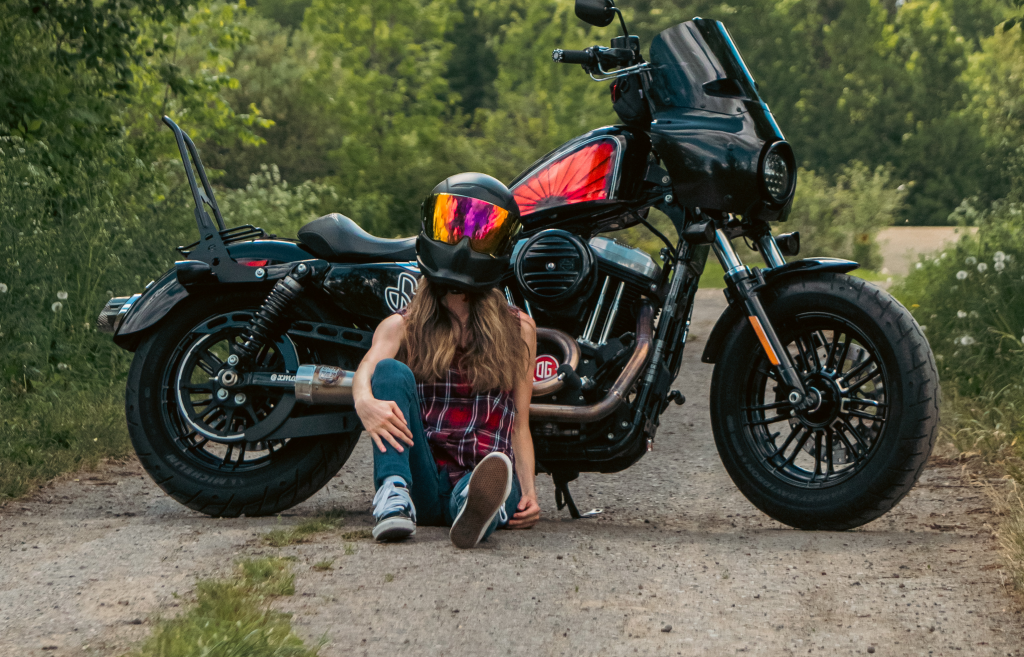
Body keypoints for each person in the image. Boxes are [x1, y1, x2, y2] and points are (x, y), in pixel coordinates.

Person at [352, 173, 541, 548]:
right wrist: (364, 402)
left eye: (479, 235)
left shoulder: (519, 328)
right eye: (453, 230)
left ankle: (477, 506)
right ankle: (394, 497)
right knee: (390, 371)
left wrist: (531, 493)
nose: (463, 244)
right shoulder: (403, 325)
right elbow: (368, 370)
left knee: (491, 483)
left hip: (485, 466)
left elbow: (520, 423)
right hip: (426, 475)